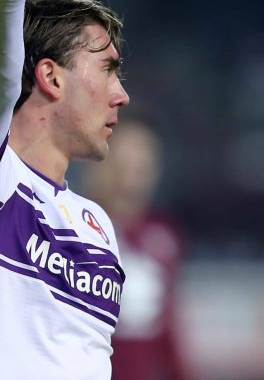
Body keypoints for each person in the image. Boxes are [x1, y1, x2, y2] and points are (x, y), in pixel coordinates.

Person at [0, 0, 130, 379]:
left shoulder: (98, 226)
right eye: (107, 70)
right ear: (51, 77)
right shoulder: (5, 178)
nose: (122, 95)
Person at [81, 119, 191, 380]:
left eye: (140, 169)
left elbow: (168, 328)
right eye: (121, 167)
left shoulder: (163, 236)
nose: (129, 182)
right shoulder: (71, 230)